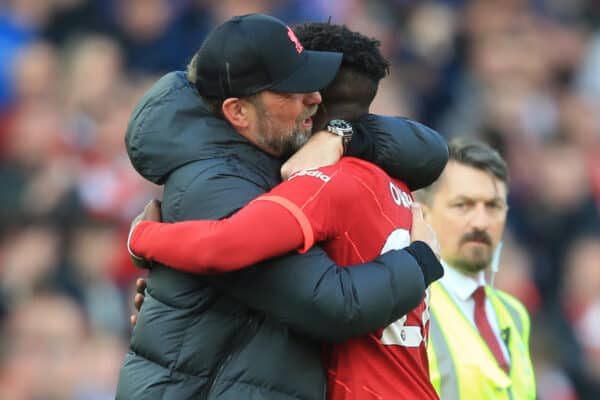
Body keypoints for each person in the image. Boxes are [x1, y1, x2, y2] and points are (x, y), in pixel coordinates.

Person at [117, 14, 448, 400]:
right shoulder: (215, 185)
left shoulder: (274, 142)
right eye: (292, 89)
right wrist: (421, 260)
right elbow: (333, 305)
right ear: (237, 111)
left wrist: (345, 134)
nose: (315, 98)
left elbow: (430, 152)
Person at [414, 137, 536, 399]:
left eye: (493, 206)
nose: (481, 222)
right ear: (424, 215)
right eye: (463, 205)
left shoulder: (514, 314)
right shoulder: (410, 307)